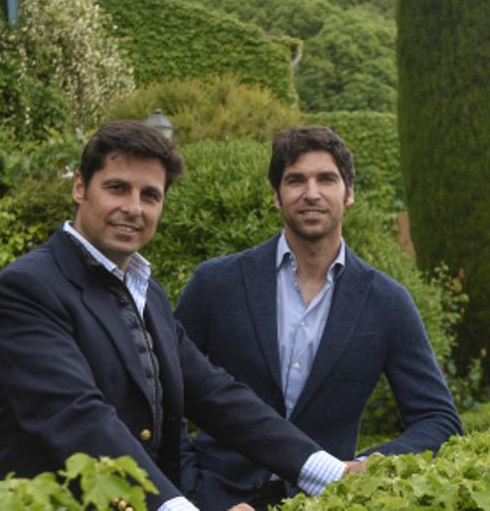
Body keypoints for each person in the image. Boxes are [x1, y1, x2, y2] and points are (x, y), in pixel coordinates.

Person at [0, 121, 355, 511]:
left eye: (150, 195)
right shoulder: (27, 288)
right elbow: (78, 418)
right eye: (117, 188)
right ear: (79, 187)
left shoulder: (146, 292)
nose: (133, 208)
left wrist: (331, 473)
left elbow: (213, 393)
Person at [175, 126, 463, 510]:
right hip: (219, 500)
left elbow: (439, 420)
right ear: (277, 196)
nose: (311, 193)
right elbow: (161, 394)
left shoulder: (387, 302)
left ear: (349, 193)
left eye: (326, 179)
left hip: (328, 503)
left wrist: (363, 468)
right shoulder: (216, 284)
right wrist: (194, 491)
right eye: (295, 180)